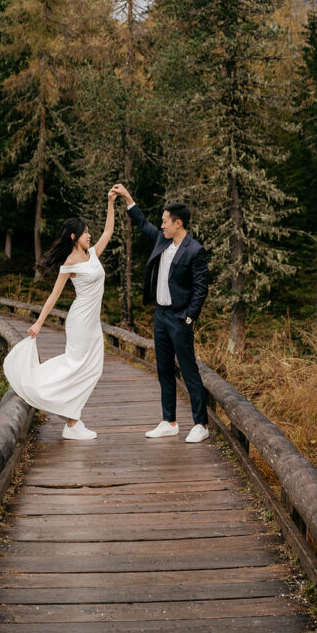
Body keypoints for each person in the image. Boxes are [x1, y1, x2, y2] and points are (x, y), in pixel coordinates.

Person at [3, 191, 116, 440]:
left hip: (93, 323)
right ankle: (72, 422)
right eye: (86, 232)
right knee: (76, 367)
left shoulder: (93, 254)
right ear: (75, 237)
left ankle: (72, 419)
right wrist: (39, 323)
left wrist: (110, 202)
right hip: (79, 322)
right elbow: (54, 296)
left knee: (93, 369)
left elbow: (109, 231)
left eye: (90, 232)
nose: (90, 235)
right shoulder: (69, 263)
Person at [112, 184, 210, 442]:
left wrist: (189, 317)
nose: (162, 225)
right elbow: (142, 222)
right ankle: (169, 421)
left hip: (180, 318)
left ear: (178, 223)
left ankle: (201, 424)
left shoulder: (195, 250)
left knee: (188, 370)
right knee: (164, 369)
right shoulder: (162, 240)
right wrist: (128, 198)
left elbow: (201, 288)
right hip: (160, 316)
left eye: (165, 222)